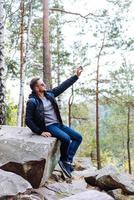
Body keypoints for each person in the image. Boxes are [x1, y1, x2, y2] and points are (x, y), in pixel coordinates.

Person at [25, 67, 83, 178]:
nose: (44, 85)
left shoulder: (49, 94)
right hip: (49, 126)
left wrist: (75, 76)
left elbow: (62, 87)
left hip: (58, 124)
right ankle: (63, 160)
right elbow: (28, 120)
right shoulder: (32, 102)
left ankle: (67, 161)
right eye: (42, 84)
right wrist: (40, 131)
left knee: (78, 137)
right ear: (36, 88)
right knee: (66, 139)